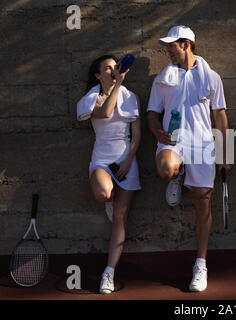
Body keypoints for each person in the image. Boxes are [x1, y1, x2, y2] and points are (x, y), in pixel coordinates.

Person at [147, 26, 230, 292]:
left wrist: (225, 153)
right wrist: (157, 131)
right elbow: (151, 114)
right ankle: (177, 174)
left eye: (172, 45)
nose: (168, 50)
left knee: (203, 203)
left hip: (203, 145)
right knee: (165, 170)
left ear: (186, 44)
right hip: (173, 142)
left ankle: (200, 265)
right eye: (167, 46)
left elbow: (220, 116)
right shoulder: (162, 79)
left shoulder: (212, 77)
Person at [77, 55, 141, 294]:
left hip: (125, 160)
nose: (113, 71)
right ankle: (109, 199)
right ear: (98, 75)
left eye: (116, 67)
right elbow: (105, 113)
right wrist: (119, 84)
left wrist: (128, 159)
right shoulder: (90, 99)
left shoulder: (131, 98)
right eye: (108, 68)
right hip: (102, 161)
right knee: (104, 193)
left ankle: (108, 272)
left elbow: (137, 135)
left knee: (119, 219)